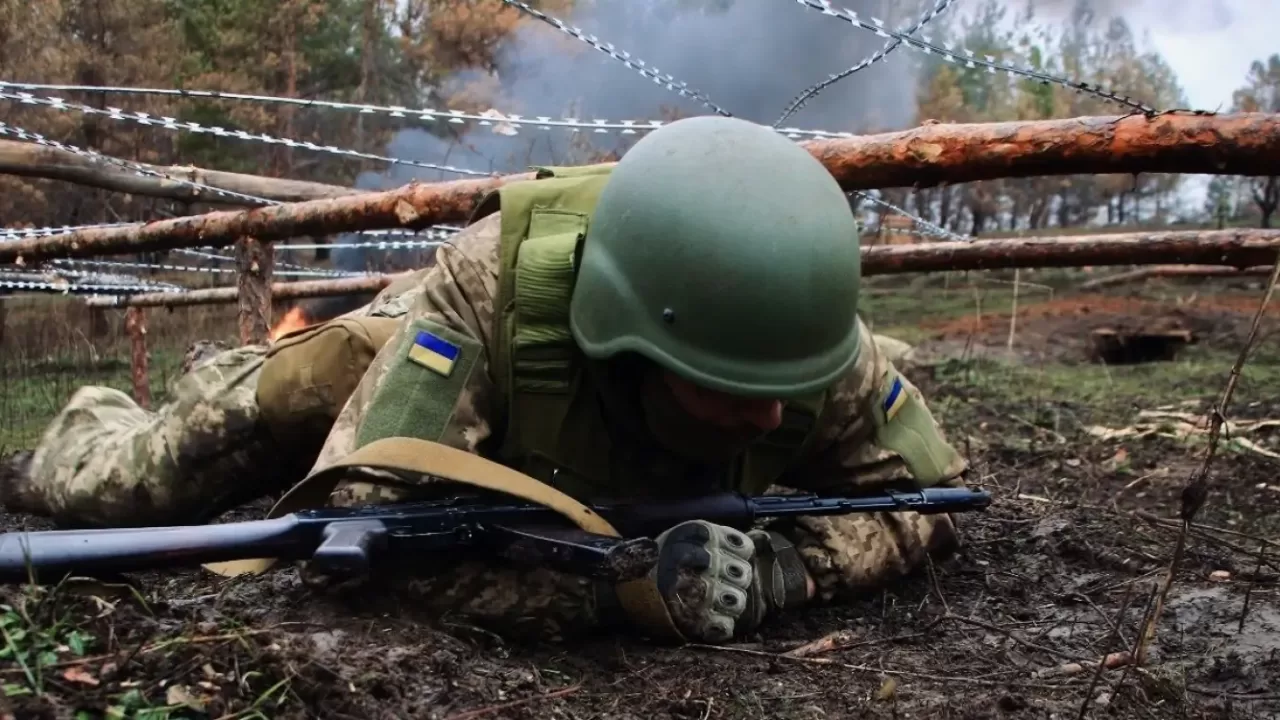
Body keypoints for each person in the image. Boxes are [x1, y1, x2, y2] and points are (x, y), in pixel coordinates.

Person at [1, 115, 969, 645]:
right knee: (144, 481)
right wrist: (614, 595)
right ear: (630, 343)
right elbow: (363, 552)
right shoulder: (487, 289)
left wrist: (790, 569)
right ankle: (99, 415)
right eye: (726, 386)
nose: (770, 415)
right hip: (392, 353)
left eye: (786, 386)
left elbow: (930, 502)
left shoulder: (801, 340)